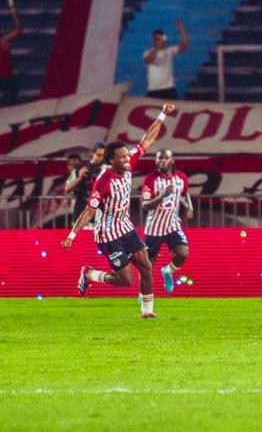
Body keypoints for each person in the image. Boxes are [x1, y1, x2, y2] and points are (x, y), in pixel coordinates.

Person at [61, 103, 176, 318]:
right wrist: (72, 235)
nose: (127, 158)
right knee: (126, 280)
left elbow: (147, 140)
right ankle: (90, 274)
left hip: (126, 227)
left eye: (127, 155)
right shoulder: (103, 182)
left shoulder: (128, 163)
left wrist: (162, 115)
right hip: (107, 234)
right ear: (111, 160)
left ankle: (147, 313)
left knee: (146, 266)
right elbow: (89, 211)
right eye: (122, 157)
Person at [141, 149, 193, 294]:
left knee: (183, 253)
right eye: (159, 158)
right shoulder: (150, 179)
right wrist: (162, 196)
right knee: (148, 266)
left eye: (165, 158)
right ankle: (144, 295)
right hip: (154, 227)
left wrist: (190, 207)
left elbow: (185, 193)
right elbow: (145, 205)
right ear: (155, 161)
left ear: (172, 160)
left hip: (172, 225)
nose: (162, 160)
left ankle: (167, 271)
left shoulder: (182, 178)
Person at [65, 143, 107, 227]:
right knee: (79, 240)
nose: (100, 158)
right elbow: (67, 189)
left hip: (100, 216)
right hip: (80, 215)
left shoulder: (107, 170)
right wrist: (80, 178)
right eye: (98, 155)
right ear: (92, 153)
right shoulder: (80, 169)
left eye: (103, 156)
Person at [144, 21, 189, 98]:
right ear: (153, 40)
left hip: (169, 89)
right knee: (153, 110)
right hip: (154, 90)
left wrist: (182, 30)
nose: (159, 41)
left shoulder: (169, 50)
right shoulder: (147, 52)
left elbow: (185, 45)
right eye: (157, 39)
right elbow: (148, 60)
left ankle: (166, 110)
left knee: (172, 109)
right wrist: (157, 48)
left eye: (160, 39)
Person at [1, 4, 22, 105]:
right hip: (6, 78)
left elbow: (18, 31)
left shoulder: (3, 40)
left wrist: (14, 14)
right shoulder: (3, 40)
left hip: (6, 78)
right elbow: (18, 30)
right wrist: (14, 14)